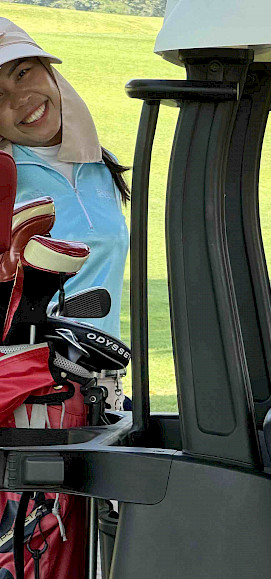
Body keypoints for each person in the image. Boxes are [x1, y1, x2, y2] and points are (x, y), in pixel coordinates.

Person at [0, 19, 130, 339]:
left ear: (49, 71)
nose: (20, 98)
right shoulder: (4, 179)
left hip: (100, 364)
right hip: (25, 367)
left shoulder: (102, 164)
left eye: (23, 72)